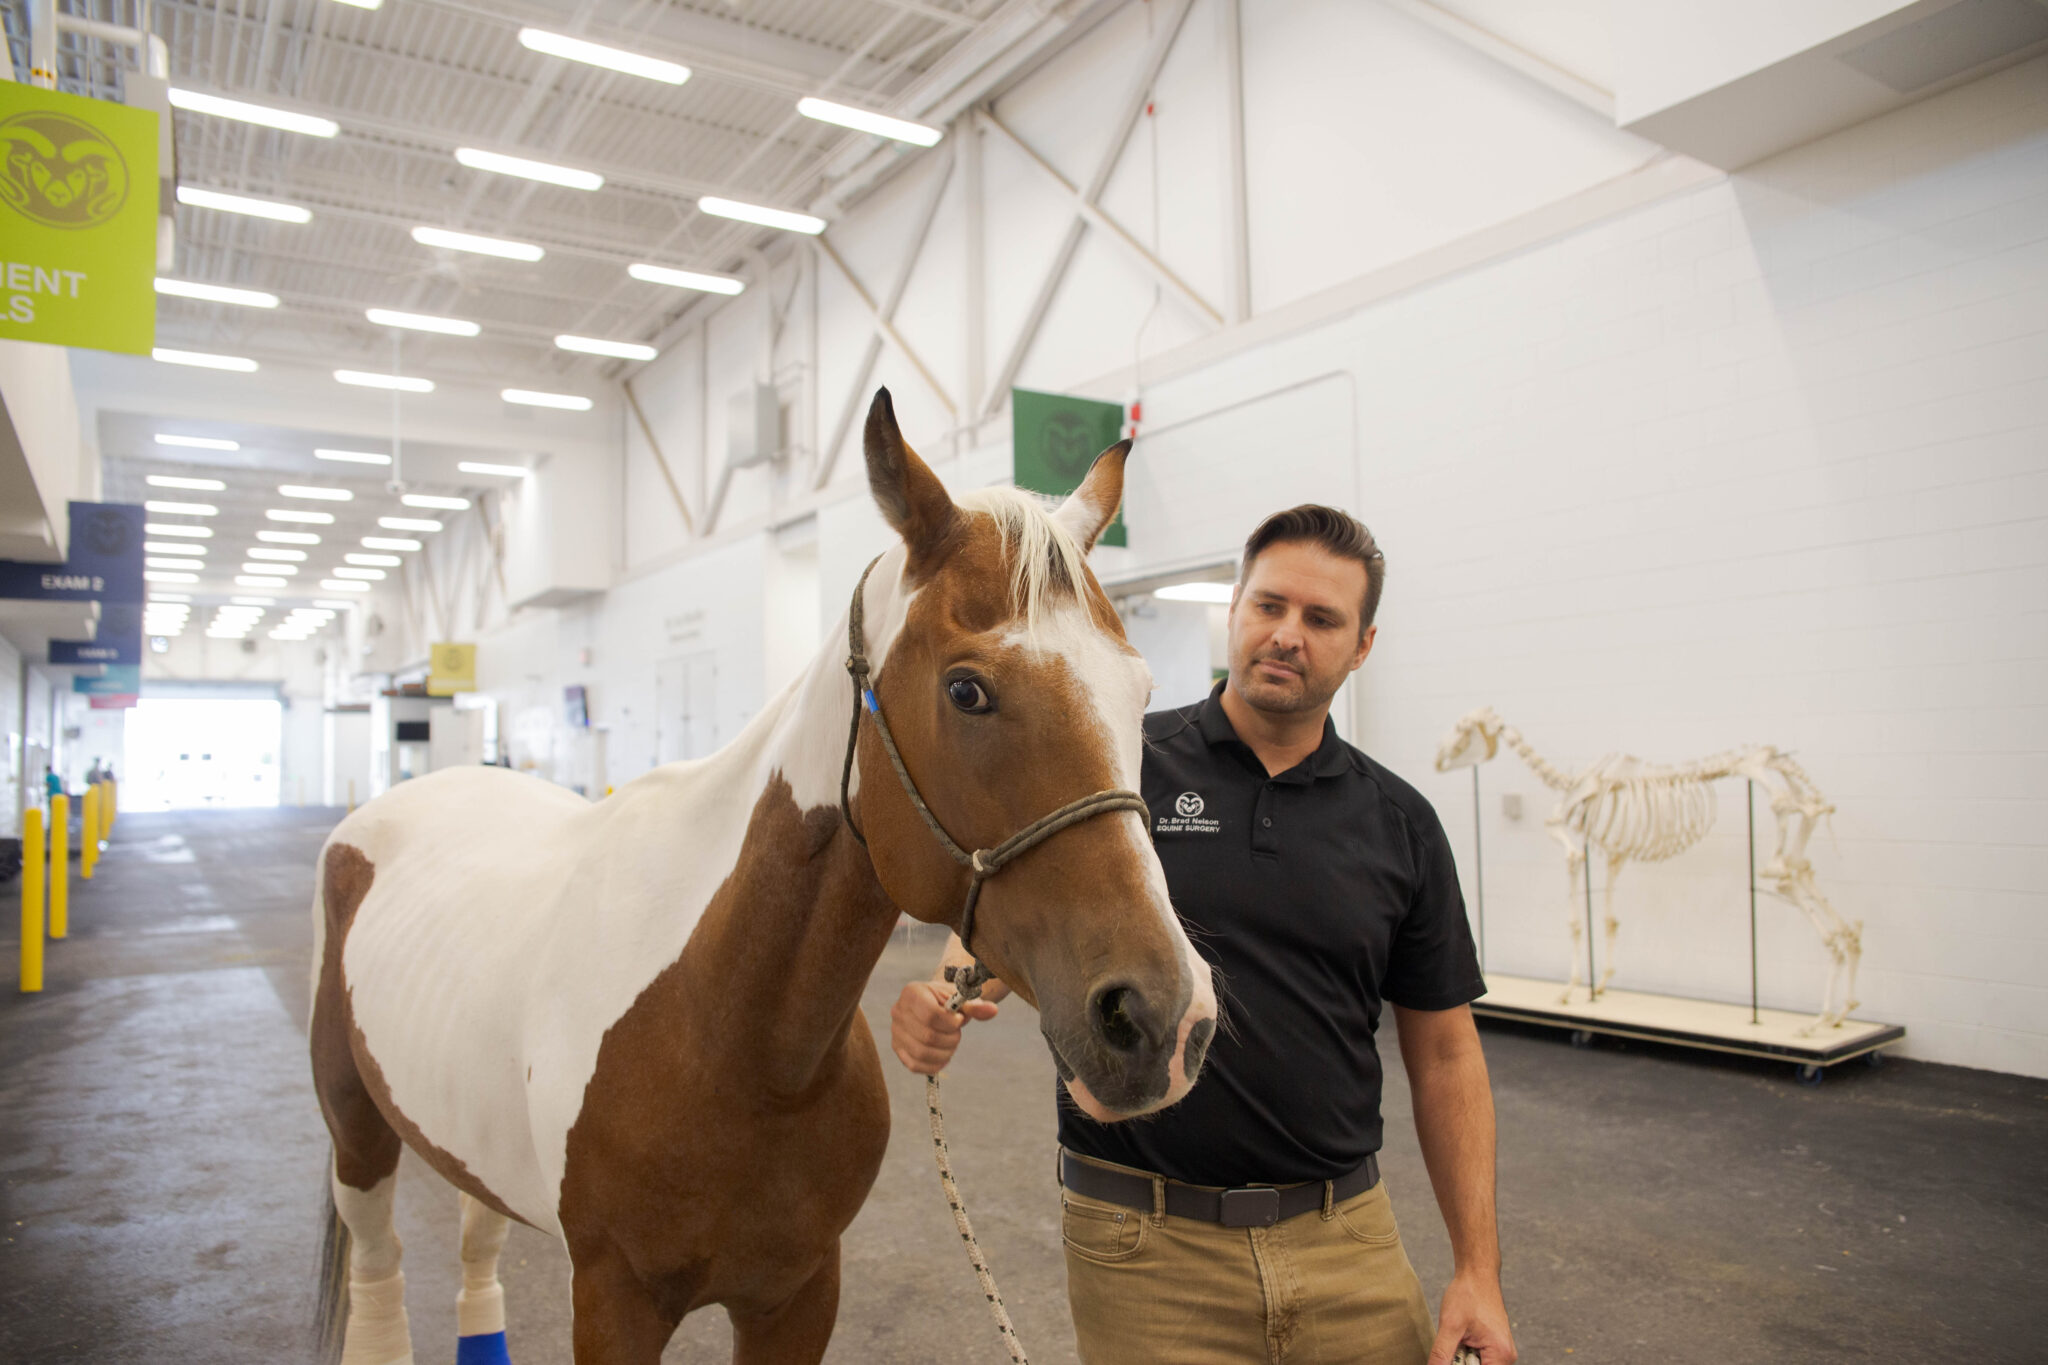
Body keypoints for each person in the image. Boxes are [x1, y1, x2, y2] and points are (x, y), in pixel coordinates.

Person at [891, 505, 1516, 1365]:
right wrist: (946, 992)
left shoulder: (1399, 822)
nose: (1287, 634)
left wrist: (1476, 1269)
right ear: (1234, 610)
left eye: (1322, 618)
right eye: (1269, 605)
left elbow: (1446, 1054)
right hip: (1148, 1251)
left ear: (1363, 645)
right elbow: (1019, 897)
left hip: (1348, 1244)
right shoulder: (1126, 760)